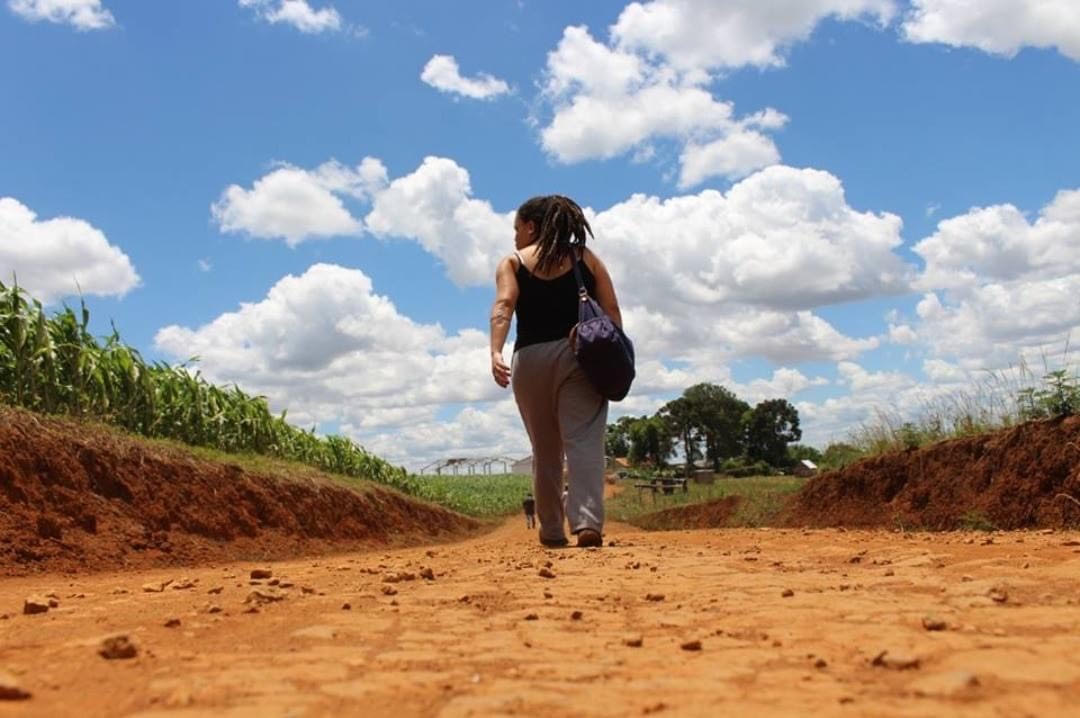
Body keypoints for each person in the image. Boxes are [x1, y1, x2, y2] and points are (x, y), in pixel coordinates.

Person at [489, 195, 624, 548]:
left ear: (531, 226)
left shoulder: (512, 262)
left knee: (545, 449)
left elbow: (504, 305)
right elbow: (611, 310)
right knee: (583, 442)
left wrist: (495, 350)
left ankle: (550, 530)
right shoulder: (586, 259)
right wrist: (612, 355)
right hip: (579, 354)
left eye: (516, 229)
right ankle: (587, 522)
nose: (515, 237)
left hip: (529, 361)